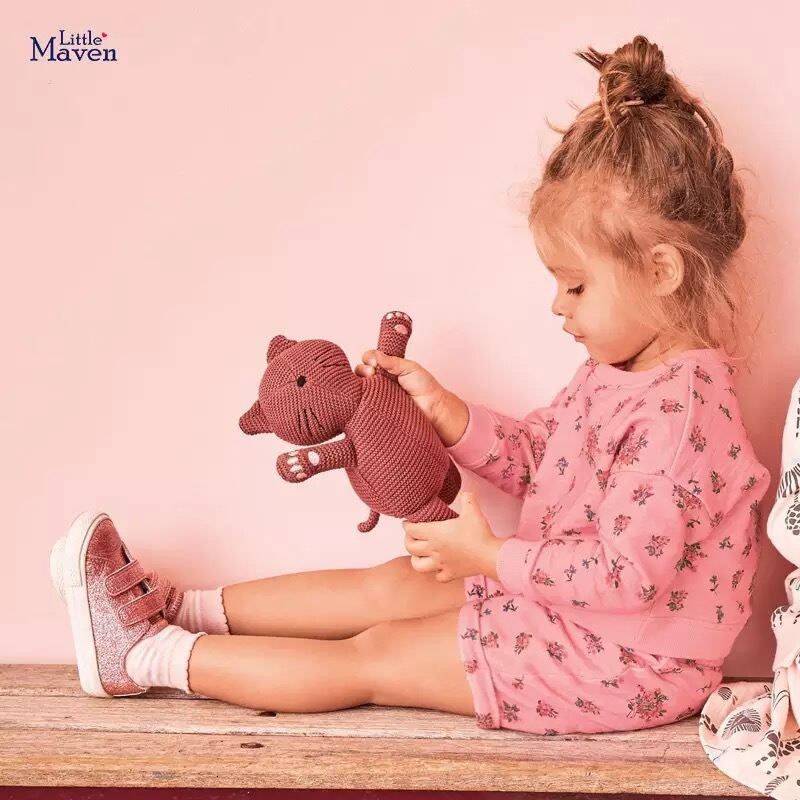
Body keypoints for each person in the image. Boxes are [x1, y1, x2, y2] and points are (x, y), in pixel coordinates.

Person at [50, 34, 771, 735]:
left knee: (375, 657)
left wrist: (489, 557)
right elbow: (542, 457)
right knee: (392, 585)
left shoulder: (684, 421)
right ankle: (175, 607)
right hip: (571, 610)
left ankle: (143, 655)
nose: (558, 306)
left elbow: (623, 576)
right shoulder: (619, 373)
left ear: (661, 271)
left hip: (625, 662)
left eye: (576, 286)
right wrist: (446, 413)